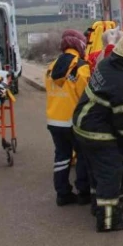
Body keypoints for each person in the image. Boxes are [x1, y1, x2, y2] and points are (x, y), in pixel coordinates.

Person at [72, 33, 123, 232]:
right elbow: (122, 119)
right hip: (97, 131)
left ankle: (97, 206)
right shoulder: (122, 80)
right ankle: (108, 221)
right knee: (110, 174)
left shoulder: (107, 64)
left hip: (82, 125)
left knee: (96, 173)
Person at [45, 30, 91, 207]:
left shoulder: (51, 67)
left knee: (62, 157)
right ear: (79, 45)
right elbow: (86, 95)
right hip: (74, 121)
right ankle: (83, 192)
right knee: (82, 156)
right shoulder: (81, 67)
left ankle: (62, 194)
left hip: (54, 121)